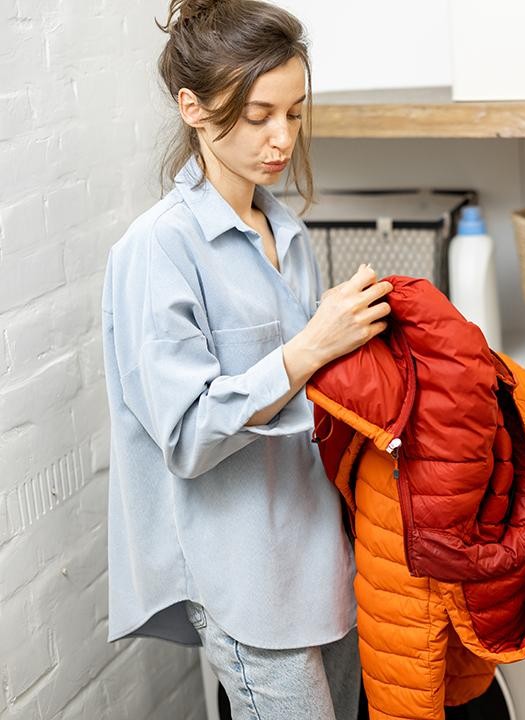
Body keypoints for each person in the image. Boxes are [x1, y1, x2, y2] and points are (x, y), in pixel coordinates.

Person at [100, 1, 392, 717]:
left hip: (326, 557)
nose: (282, 138)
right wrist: (310, 347)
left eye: (294, 113)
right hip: (245, 581)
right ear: (193, 109)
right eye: (259, 116)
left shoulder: (286, 231)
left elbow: (310, 400)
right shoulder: (158, 249)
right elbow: (188, 437)